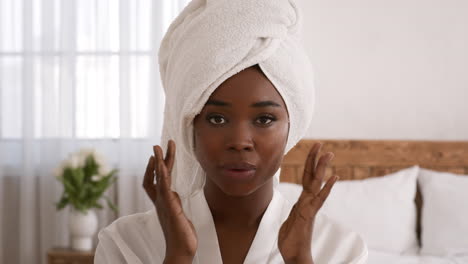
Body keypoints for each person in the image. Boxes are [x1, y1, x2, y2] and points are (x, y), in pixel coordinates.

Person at [95, 0, 368, 263]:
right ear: (189, 126)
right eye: (216, 119)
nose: (239, 142)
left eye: (263, 119)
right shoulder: (127, 243)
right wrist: (177, 256)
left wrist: (298, 260)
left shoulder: (340, 250)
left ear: (292, 127)